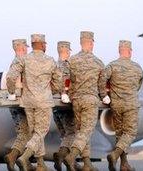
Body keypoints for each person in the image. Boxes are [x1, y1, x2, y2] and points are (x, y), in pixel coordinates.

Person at [7, 34, 62, 171]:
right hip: (43, 101)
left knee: (34, 133)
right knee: (40, 132)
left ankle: (40, 163)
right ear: (43, 45)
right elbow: (58, 81)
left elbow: (10, 76)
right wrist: (52, 91)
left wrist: (12, 91)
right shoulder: (50, 60)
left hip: (28, 102)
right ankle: (25, 157)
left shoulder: (24, 59)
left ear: (32, 45)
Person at [63, 31, 108, 171]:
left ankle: (87, 163)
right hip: (90, 100)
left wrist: (65, 92)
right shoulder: (98, 62)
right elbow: (102, 84)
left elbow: (65, 79)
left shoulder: (72, 60)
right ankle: (72, 156)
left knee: (81, 131)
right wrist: (104, 96)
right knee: (86, 131)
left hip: (76, 100)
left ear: (81, 43)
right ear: (91, 43)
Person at [105, 40, 143, 171]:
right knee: (130, 133)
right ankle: (115, 155)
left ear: (119, 51)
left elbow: (102, 81)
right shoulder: (137, 68)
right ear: (130, 51)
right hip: (131, 104)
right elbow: (138, 86)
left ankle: (124, 164)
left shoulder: (111, 66)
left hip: (116, 104)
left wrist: (105, 96)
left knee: (120, 134)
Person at [5, 39, 34, 171]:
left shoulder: (16, 61)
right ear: (21, 48)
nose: (27, 49)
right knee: (26, 133)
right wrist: (12, 92)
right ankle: (13, 156)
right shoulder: (21, 61)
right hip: (21, 102)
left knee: (24, 133)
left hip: (17, 102)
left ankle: (24, 162)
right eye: (25, 47)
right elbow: (10, 78)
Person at [52, 41, 81, 171]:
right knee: (72, 134)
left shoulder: (52, 66)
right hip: (66, 106)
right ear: (67, 51)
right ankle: (61, 155)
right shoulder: (68, 66)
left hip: (55, 106)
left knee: (64, 135)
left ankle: (73, 164)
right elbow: (69, 84)